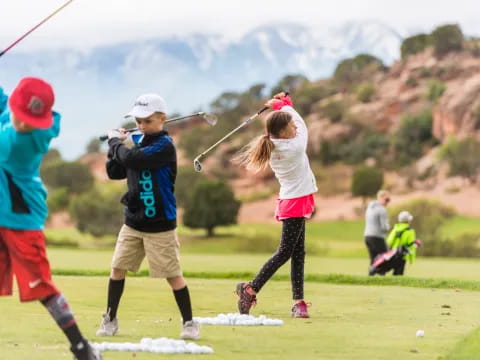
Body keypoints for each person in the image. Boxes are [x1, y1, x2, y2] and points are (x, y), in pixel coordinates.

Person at [0, 77, 102, 360]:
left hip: (21, 221)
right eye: (19, 117)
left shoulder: (16, 142)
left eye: (28, 121)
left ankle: (80, 346)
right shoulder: (22, 118)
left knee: (42, 286)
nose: (22, 124)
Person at [96, 93, 199, 340]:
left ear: (162, 119)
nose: (141, 125)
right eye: (138, 121)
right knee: (117, 269)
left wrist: (114, 143)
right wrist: (115, 148)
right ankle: (110, 319)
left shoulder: (164, 146)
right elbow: (115, 171)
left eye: (146, 120)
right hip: (133, 221)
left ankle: (189, 323)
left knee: (173, 276)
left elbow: (134, 159)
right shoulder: (138, 143)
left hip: (160, 223)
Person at [234, 92, 318, 318]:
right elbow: (302, 124)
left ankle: (298, 302)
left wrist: (280, 108)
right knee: (285, 253)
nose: (295, 127)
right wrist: (284, 105)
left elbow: (294, 124)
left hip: (293, 200)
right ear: (283, 132)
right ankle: (250, 289)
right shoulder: (294, 147)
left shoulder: (275, 143)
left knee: (298, 252)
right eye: (290, 126)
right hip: (294, 202)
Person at [364, 190, 391, 274]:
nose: (387, 202)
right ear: (380, 198)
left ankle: (371, 277)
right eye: (386, 200)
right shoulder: (382, 209)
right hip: (377, 237)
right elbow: (384, 227)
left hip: (367, 236)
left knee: (373, 259)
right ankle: (382, 278)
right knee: (384, 258)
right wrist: (389, 227)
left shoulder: (370, 207)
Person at [386, 210, 417, 275]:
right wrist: (411, 259)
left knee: (393, 272)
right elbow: (411, 246)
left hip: (393, 254)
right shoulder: (410, 231)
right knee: (399, 273)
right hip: (402, 255)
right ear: (408, 220)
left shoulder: (396, 228)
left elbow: (389, 241)